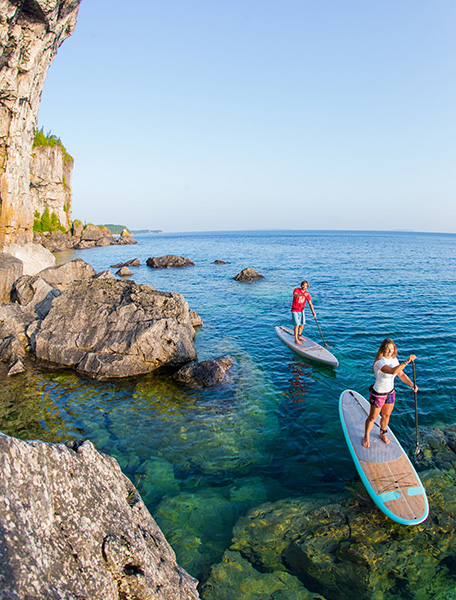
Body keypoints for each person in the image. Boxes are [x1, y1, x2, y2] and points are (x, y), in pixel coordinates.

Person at [362, 338, 418, 448]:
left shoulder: (394, 360)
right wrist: (407, 361)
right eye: (387, 349)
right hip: (378, 394)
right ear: (383, 349)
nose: (389, 351)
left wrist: (412, 385)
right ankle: (366, 436)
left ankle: (382, 433)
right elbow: (393, 371)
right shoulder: (379, 362)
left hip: (390, 393)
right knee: (372, 417)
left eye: (391, 349)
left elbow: (401, 374)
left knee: (386, 415)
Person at [291, 280, 316, 345]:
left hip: (302, 310)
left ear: (307, 287)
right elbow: (295, 295)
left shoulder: (307, 294)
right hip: (295, 310)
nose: (304, 287)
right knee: (297, 325)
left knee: (302, 324)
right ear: (301, 285)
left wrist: (313, 312)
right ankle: (295, 339)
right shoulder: (296, 290)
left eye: (305, 286)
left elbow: (310, 303)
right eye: (303, 285)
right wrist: (302, 294)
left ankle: (299, 336)